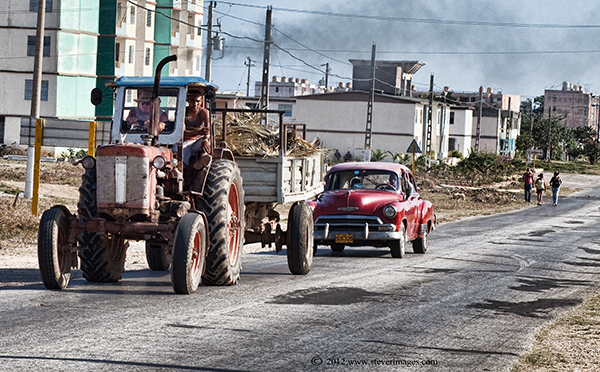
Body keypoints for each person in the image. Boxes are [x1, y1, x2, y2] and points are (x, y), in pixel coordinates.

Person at [183, 92, 211, 164]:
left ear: (201, 101)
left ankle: (202, 160)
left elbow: (208, 130)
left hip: (198, 140)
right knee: (176, 150)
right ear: (188, 100)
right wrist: (199, 132)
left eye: (197, 101)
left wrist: (205, 139)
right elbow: (182, 133)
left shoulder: (204, 112)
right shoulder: (183, 112)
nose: (195, 104)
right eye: (192, 101)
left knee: (206, 144)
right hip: (185, 141)